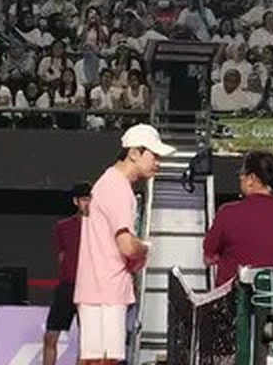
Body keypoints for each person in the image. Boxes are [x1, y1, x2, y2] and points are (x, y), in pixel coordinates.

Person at [74, 124, 174, 365]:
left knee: (93, 360)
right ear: (134, 153)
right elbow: (127, 246)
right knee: (105, 361)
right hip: (108, 290)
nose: (157, 163)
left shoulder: (106, 182)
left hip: (95, 287)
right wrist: (146, 248)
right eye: (154, 155)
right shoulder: (118, 188)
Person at [203, 151, 273, 286]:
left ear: (251, 179)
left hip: (231, 300)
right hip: (269, 301)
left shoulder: (228, 213)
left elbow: (208, 258)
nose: (240, 179)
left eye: (241, 175)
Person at [44, 183, 92, 365]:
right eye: (84, 199)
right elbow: (62, 255)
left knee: (87, 342)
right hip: (67, 286)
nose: (88, 204)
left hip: (90, 288)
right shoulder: (63, 227)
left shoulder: (100, 228)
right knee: (50, 335)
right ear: (76, 201)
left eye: (90, 199)